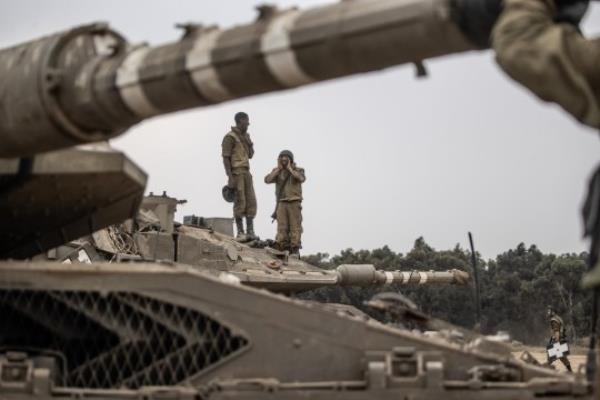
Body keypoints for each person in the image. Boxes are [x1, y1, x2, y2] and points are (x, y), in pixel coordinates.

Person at [222, 112, 257, 240]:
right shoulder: (230, 137)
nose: (248, 123)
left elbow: (251, 155)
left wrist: (249, 142)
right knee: (240, 201)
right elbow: (226, 158)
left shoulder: (245, 137)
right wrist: (230, 177)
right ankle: (240, 232)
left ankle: (250, 231)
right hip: (236, 172)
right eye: (246, 121)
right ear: (240, 121)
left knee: (251, 201)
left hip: (246, 172)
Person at [264, 150, 306, 254]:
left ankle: (294, 249)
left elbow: (301, 178)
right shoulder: (277, 171)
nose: (283, 159)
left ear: (290, 159)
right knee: (282, 227)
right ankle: (282, 247)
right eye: (281, 157)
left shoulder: (298, 170)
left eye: (286, 157)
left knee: (295, 227)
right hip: (281, 202)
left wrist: (290, 169)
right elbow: (267, 180)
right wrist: (278, 169)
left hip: (294, 202)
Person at [546, 306, 573, 372]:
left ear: (553, 312)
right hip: (562, 340)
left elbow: (557, 331)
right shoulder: (558, 318)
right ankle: (570, 372)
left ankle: (544, 373)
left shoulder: (554, 320)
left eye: (549, 311)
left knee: (550, 358)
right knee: (563, 358)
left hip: (558, 340)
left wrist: (556, 343)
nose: (548, 312)